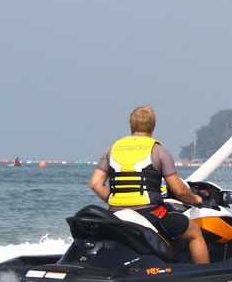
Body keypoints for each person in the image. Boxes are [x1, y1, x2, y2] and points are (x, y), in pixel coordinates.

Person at [89, 105, 211, 264]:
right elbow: (179, 191)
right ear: (153, 126)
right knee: (194, 231)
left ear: (131, 125)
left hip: (116, 215)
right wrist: (197, 199)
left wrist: (116, 201)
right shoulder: (159, 151)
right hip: (150, 214)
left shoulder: (112, 149)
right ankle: (203, 276)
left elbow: (95, 184)